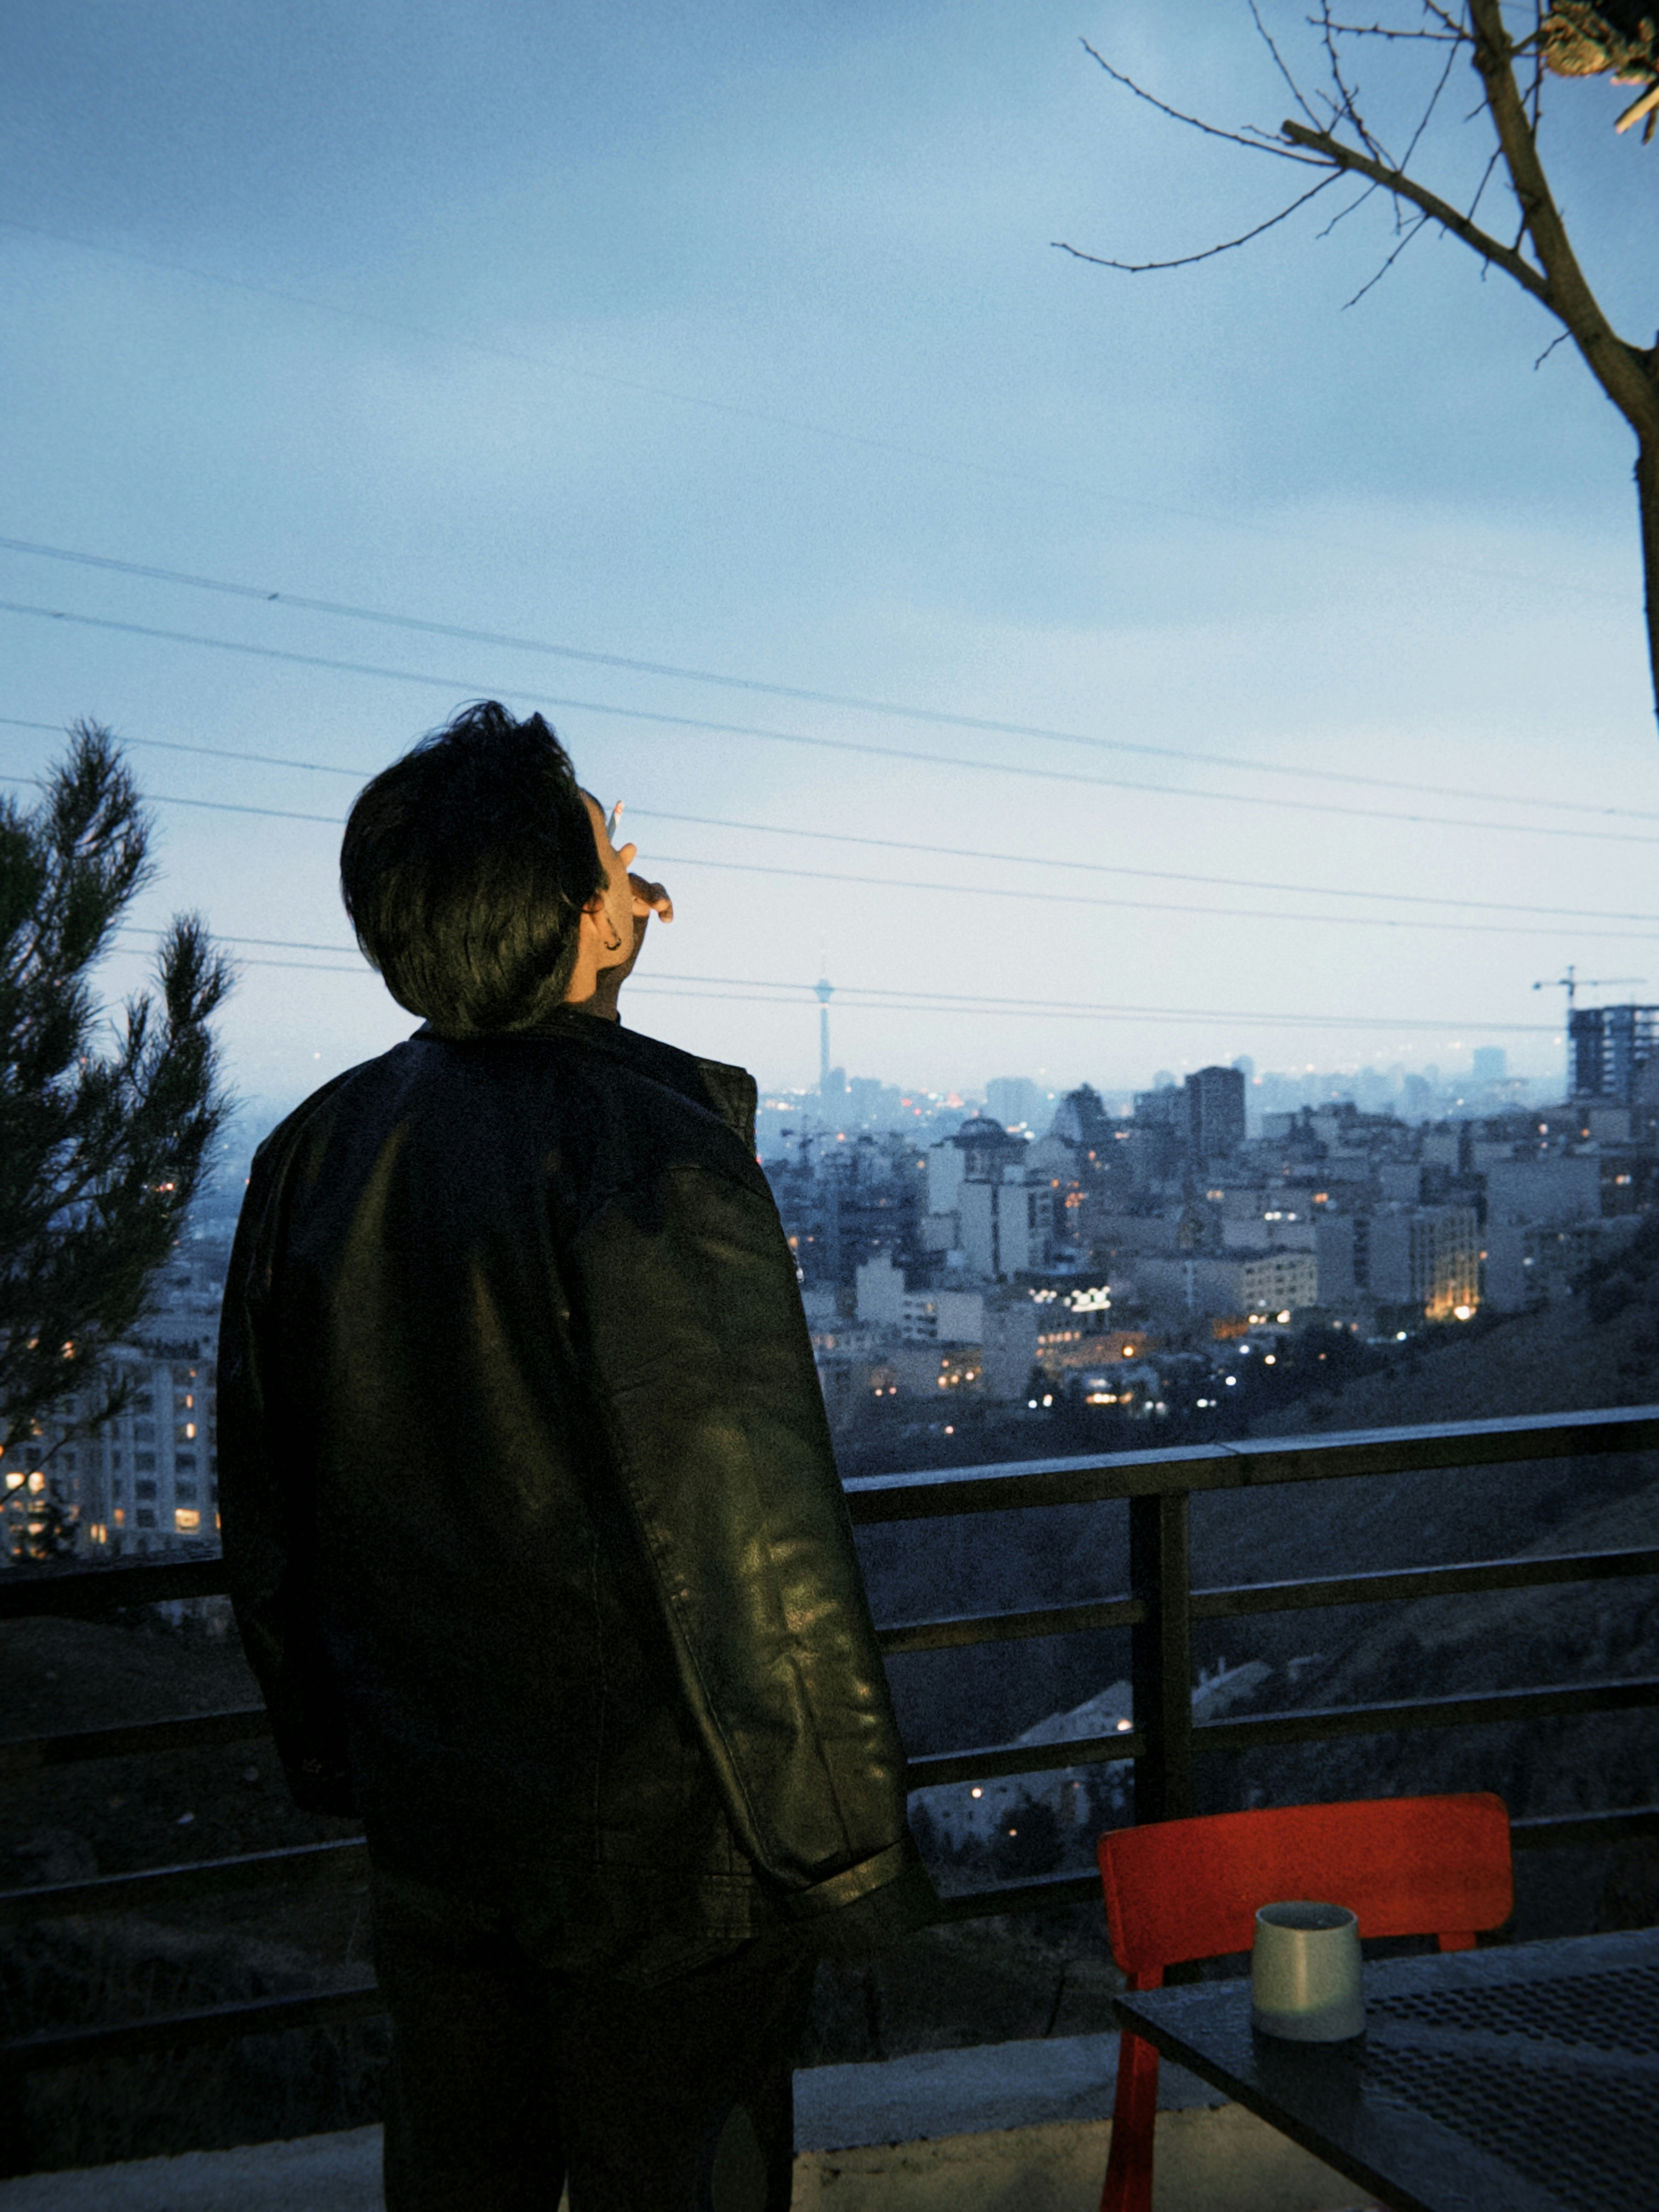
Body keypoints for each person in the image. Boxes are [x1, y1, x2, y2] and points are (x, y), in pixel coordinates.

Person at [216, 701, 934, 2211]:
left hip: (435, 1831)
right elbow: (751, 1539)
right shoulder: (648, 1149)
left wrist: (334, 1754)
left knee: (459, 2175)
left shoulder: (313, 1155)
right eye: (612, 853)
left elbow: (268, 1511)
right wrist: (845, 1850)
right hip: (663, 1862)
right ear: (564, 912)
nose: (640, 877)